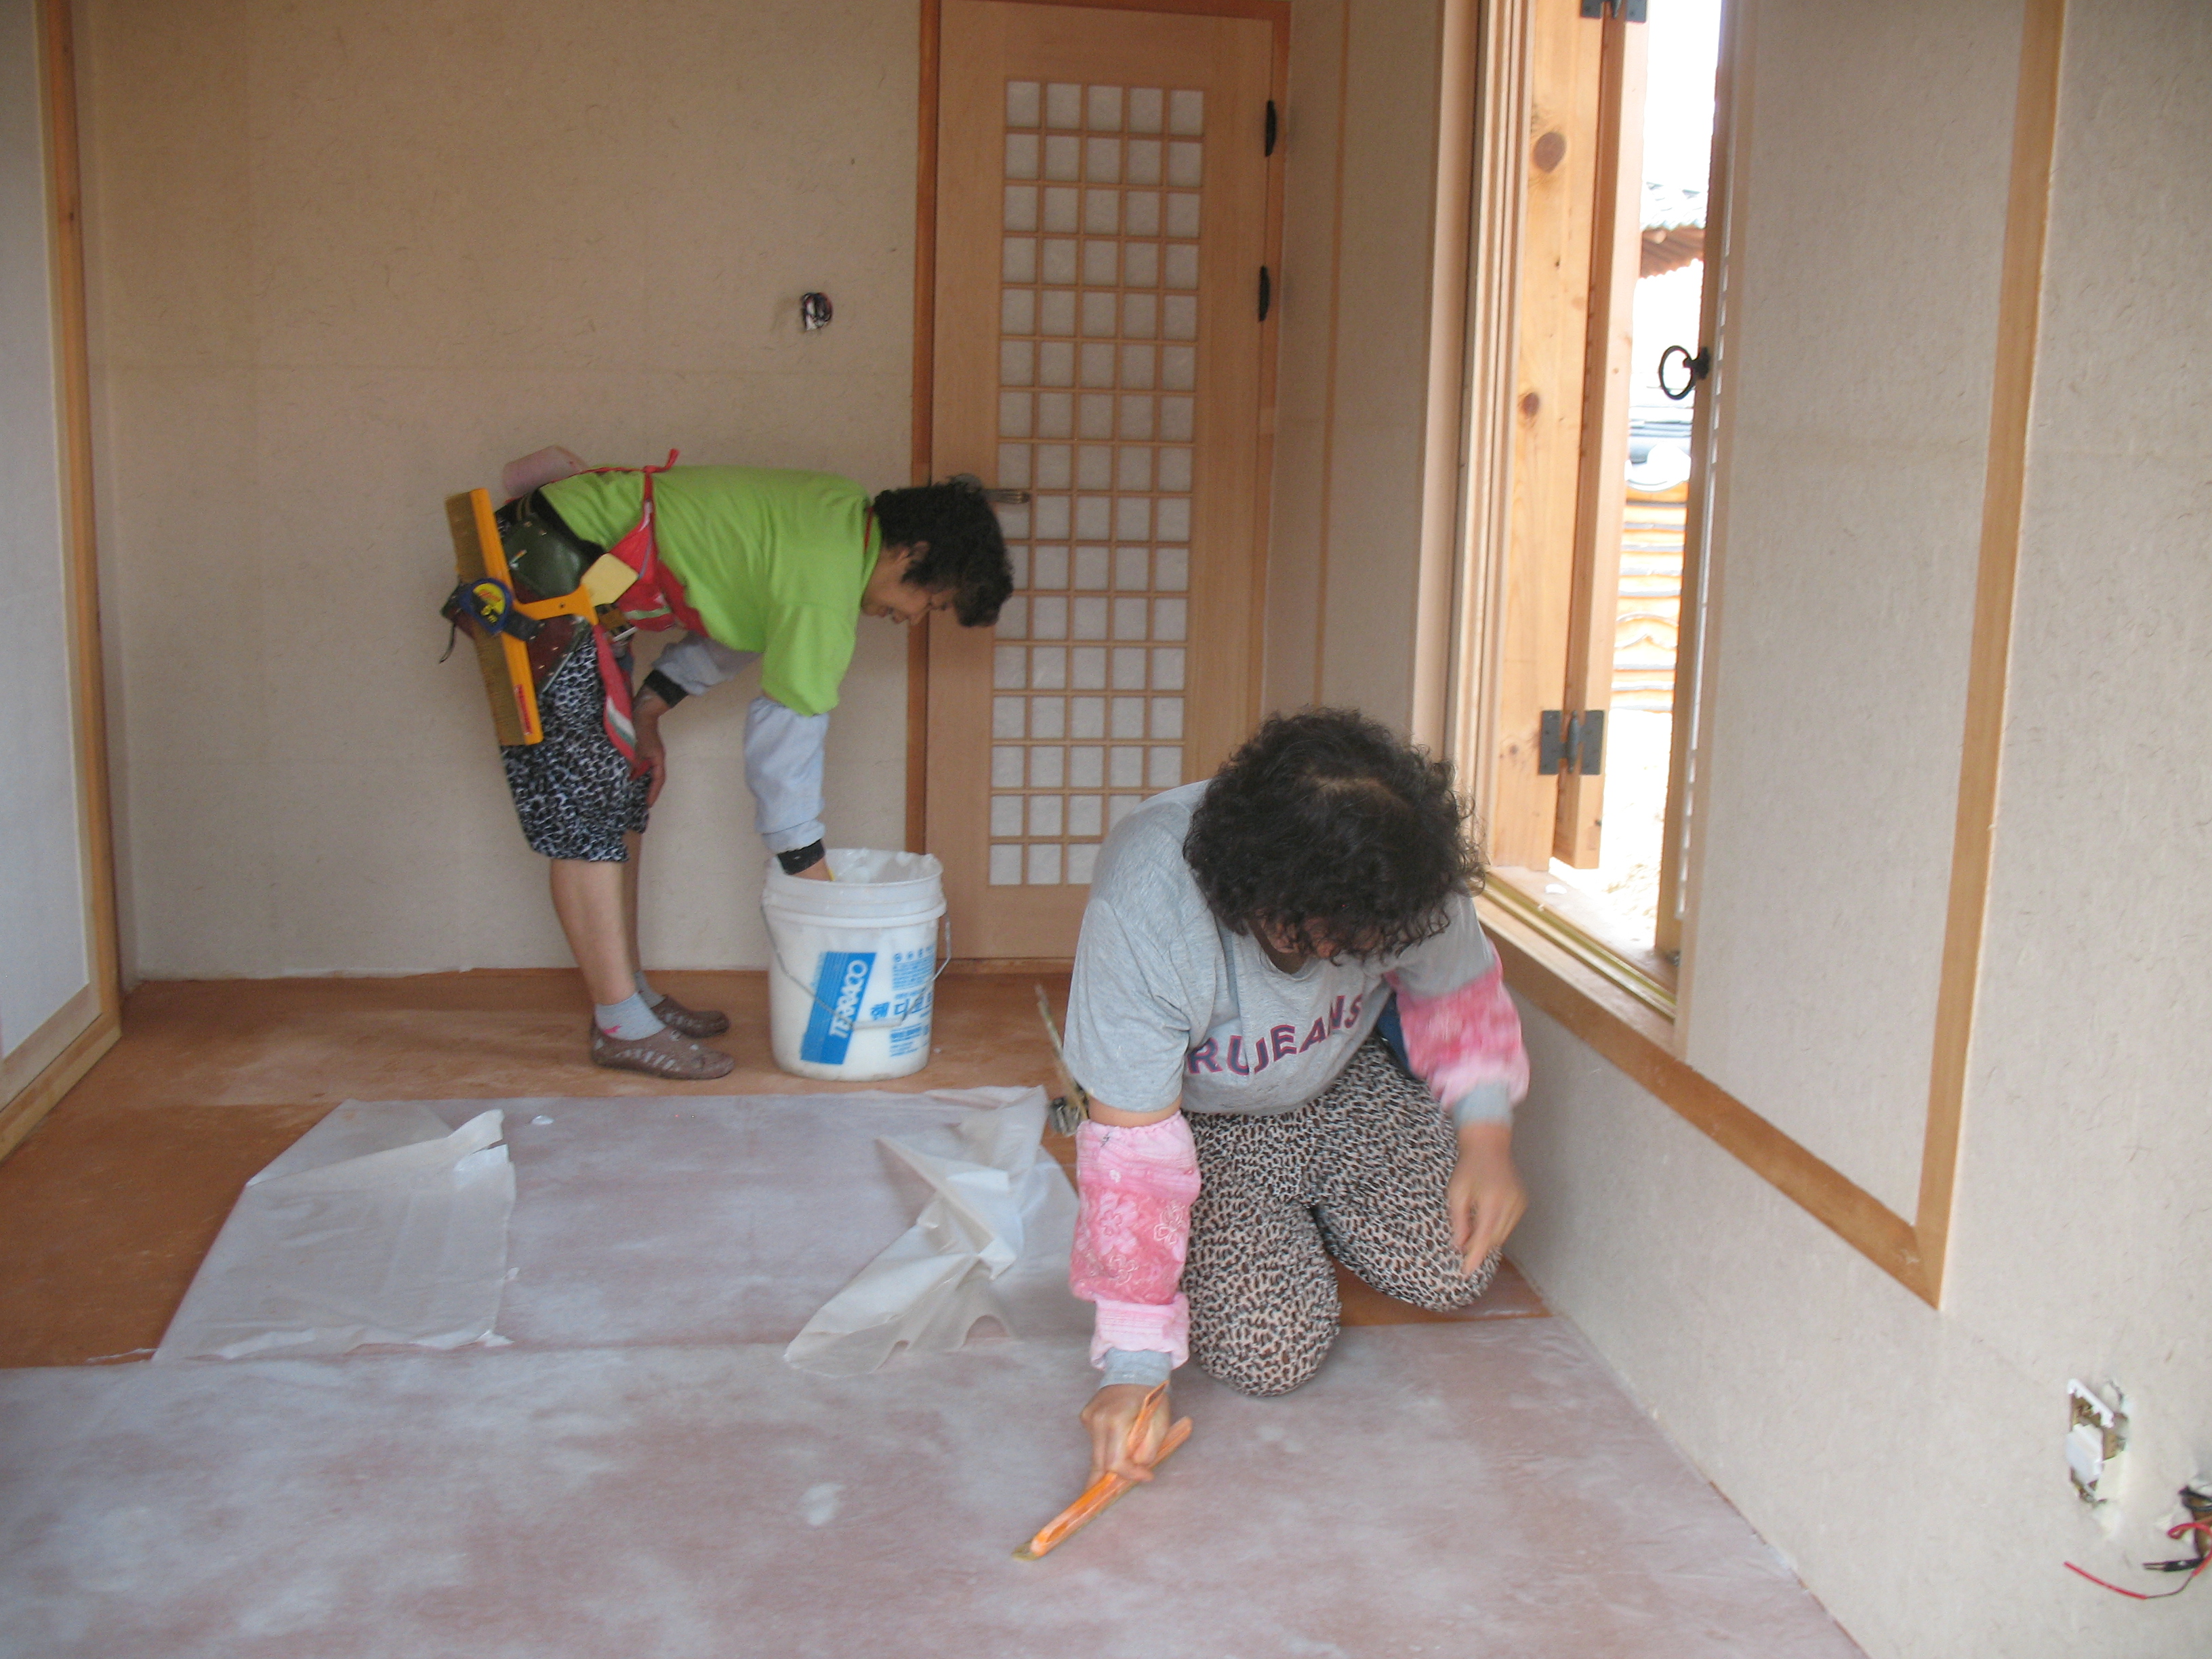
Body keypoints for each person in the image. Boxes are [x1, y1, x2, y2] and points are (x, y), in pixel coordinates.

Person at [1057, 708, 1530, 1484]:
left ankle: (1308, 1219)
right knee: (1269, 1353)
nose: (1340, 956)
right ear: (1253, 890)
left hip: (1344, 1083)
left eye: (1362, 942)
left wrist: (1487, 1137)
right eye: (1317, 935)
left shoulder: (1406, 868)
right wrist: (1134, 1364)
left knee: (1458, 1266)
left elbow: (1456, 996)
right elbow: (1133, 1156)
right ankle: (1271, 1226)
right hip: (1206, 1125)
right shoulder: (1146, 902)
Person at [481, 450, 1011, 1080]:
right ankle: (620, 1023)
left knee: (621, 795)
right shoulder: (827, 581)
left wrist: (648, 711)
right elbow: (785, 743)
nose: (914, 618)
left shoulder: (836, 517)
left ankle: (631, 996)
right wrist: (807, 871)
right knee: (587, 815)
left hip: (566, 567)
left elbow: (737, 616)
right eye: (930, 600)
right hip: (542, 570)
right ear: (911, 552)